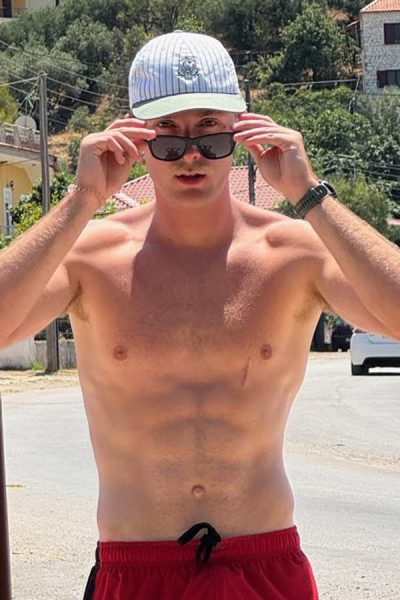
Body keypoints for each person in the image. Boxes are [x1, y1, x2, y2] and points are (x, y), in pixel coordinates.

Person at [1, 30, 400, 600]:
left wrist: (309, 193)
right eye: (168, 135)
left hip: (264, 563)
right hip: (136, 567)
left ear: (240, 131)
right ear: (135, 138)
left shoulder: (292, 253)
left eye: (210, 133)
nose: (191, 155)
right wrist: (80, 200)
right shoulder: (90, 255)